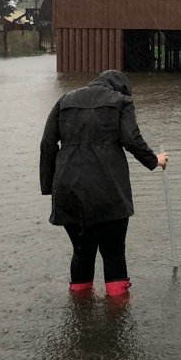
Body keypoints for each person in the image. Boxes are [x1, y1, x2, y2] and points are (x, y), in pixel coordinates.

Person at [40, 69, 169, 296]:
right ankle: (117, 312)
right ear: (122, 89)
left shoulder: (64, 101)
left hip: (68, 192)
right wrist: (153, 160)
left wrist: (49, 187)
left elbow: (48, 144)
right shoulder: (121, 101)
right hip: (108, 191)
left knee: (81, 251)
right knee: (113, 253)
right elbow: (132, 139)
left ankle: (80, 306)